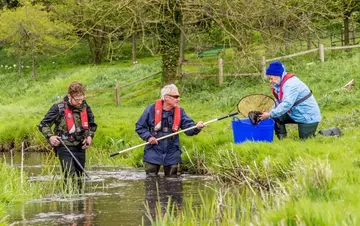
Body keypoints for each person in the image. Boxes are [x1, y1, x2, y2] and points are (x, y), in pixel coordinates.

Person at [135, 84, 204, 176]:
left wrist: (196, 127)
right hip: (153, 148)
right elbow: (140, 126)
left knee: (172, 179)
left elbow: (189, 129)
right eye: (175, 97)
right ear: (166, 97)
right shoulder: (151, 109)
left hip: (172, 149)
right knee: (151, 177)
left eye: (178, 97)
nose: (178, 99)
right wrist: (148, 137)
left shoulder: (180, 112)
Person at [38, 82, 97, 189]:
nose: (79, 102)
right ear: (69, 96)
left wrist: (89, 137)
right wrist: (50, 137)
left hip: (80, 146)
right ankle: (67, 200)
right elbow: (43, 124)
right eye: (77, 99)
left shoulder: (85, 107)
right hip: (64, 146)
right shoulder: (58, 108)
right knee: (69, 175)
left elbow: (92, 125)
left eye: (81, 99)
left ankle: (80, 202)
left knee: (80, 177)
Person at [259, 61, 321, 140]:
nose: (270, 81)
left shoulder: (290, 84)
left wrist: (269, 114)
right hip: (295, 113)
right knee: (275, 117)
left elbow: (286, 104)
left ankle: (328, 133)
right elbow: (278, 101)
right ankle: (282, 141)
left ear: (278, 75)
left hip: (307, 116)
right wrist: (269, 112)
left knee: (305, 141)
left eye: (271, 78)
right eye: (269, 78)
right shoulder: (279, 84)